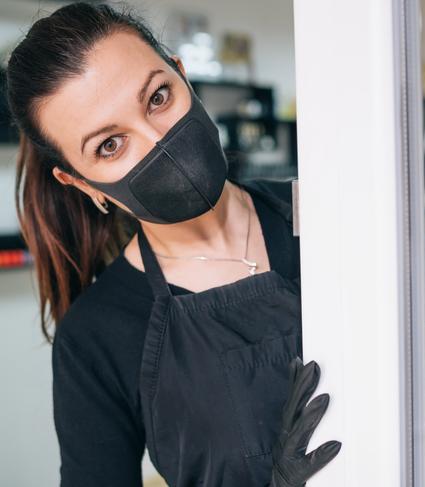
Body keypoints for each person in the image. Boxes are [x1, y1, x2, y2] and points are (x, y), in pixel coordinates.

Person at [6, 2, 339, 486]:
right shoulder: (98, 336)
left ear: (182, 76)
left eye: (158, 97)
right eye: (109, 145)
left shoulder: (330, 215)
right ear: (82, 184)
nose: (156, 141)